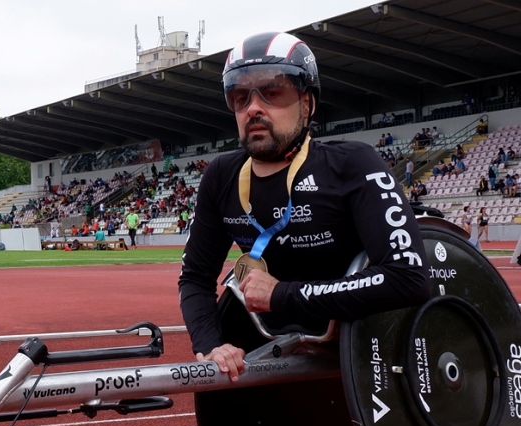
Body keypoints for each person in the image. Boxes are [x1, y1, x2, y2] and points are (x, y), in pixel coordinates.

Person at [178, 32, 430, 381]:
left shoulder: (354, 163)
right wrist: (210, 346)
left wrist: (282, 295)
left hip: (371, 348)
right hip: (276, 344)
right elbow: (195, 278)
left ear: (307, 103)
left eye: (272, 92)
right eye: (240, 96)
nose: (253, 107)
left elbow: (408, 277)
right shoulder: (220, 176)